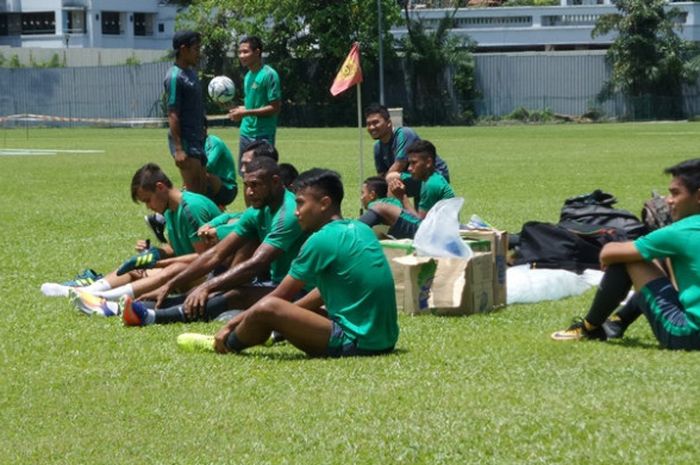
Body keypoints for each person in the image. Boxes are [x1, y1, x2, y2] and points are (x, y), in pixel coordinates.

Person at [176, 168, 399, 358]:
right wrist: (287, 318)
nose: (296, 211)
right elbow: (323, 291)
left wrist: (231, 325)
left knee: (268, 307)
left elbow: (278, 296)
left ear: (324, 203)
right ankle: (267, 332)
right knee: (276, 311)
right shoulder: (360, 228)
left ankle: (224, 344)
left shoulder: (320, 240)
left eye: (301, 203)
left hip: (356, 342)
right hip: (384, 339)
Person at [121, 157, 308, 326]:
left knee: (234, 295)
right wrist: (168, 286)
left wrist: (207, 286)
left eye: (255, 185)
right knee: (221, 290)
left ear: (275, 182)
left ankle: (152, 317)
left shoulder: (288, 214)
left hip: (302, 291)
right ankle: (143, 306)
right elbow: (216, 253)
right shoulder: (258, 209)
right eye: (246, 185)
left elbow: (256, 263)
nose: (249, 192)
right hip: (275, 282)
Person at [551, 159, 700, 350]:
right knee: (659, 256)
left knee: (629, 258)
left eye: (675, 193)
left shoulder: (682, 231)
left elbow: (609, 253)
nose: (667, 200)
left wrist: (612, 253)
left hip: (689, 336)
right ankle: (617, 322)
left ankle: (589, 328)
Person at [41, 163, 222, 314]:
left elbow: (205, 257)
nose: (148, 207)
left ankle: (100, 299)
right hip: (193, 272)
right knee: (136, 270)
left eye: (147, 200)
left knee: (173, 269)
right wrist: (154, 254)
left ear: (160, 187)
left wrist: (157, 264)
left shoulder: (192, 208)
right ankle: (85, 291)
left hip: (214, 276)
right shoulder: (171, 211)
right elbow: (181, 249)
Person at [359, 140, 454, 239]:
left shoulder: (431, 185)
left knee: (380, 207)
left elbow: (422, 226)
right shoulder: (432, 179)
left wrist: (402, 197)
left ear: (428, 162)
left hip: (435, 236)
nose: (409, 168)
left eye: (414, 163)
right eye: (409, 163)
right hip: (437, 231)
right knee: (387, 209)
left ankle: (351, 233)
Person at [365, 103, 450, 199]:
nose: (372, 127)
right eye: (368, 124)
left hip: (434, 175)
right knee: (380, 185)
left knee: (391, 178)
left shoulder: (404, 134)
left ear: (389, 122)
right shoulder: (377, 147)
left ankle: (394, 213)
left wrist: (378, 188)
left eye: (375, 123)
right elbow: (381, 175)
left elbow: (399, 166)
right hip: (414, 176)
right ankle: (394, 213)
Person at [228, 36, 281, 173]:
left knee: (262, 174)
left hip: (263, 134)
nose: (241, 56)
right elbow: (252, 105)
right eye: (239, 52)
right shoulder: (248, 76)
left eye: (245, 52)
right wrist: (241, 109)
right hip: (245, 133)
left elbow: (274, 108)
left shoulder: (269, 75)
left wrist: (245, 113)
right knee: (245, 173)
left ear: (257, 52)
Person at [164, 30, 208, 196]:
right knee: (194, 194)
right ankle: (166, 218)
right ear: (183, 49)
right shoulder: (174, 77)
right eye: (196, 49)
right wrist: (179, 149)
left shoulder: (191, 73)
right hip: (186, 142)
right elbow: (173, 113)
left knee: (202, 192)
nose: (199, 53)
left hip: (197, 139)